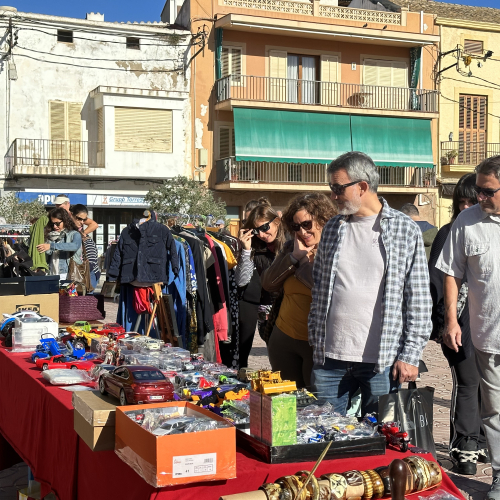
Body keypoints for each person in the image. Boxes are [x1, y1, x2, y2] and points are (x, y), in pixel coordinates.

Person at [309, 151, 432, 416]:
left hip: (382, 360)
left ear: (362, 186)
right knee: (322, 437)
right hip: (329, 358)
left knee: (382, 440)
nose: (333, 195)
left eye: (338, 188)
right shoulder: (333, 228)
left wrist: (410, 354)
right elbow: (320, 286)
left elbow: (419, 298)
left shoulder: (404, 229)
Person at [436, 156, 500, 499]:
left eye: (487, 191)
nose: (480, 197)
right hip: (488, 337)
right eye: (478, 189)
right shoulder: (467, 221)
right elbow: (451, 271)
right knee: (493, 412)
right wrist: (450, 320)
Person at [428, 173, 487, 474]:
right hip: (455, 323)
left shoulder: (487, 230)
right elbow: (437, 284)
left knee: (486, 386)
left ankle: (481, 443)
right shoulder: (448, 232)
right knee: (468, 382)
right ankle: (463, 448)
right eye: (459, 203)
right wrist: (443, 324)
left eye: (470, 201)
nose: (465, 208)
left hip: (486, 322)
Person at [261, 193, 336, 388]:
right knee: (287, 402)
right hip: (282, 339)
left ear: (323, 220)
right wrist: (294, 257)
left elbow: (327, 289)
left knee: (315, 404)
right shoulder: (290, 249)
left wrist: (304, 264)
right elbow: (268, 284)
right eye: (296, 227)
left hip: (316, 344)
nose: (302, 231)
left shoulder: (335, 251)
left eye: (307, 224)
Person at [234, 198, 284, 368]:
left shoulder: (292, 242)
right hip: (266, 311)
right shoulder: (255, 247)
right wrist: (246, 250)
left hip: (290, 308)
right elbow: (241, 281)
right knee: (276, 359)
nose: (262, 235)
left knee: (285, 358)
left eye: (264, 228)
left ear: (276, 220)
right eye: (257, 231)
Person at [36, 208, 82, 279]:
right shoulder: (50, 235)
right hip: (51, 273)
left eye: (57, 223)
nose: (55, 226)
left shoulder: (74, 234)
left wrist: (52, 246)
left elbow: (74, 246)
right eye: (52, 223)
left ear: (65, 221)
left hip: (66, 274)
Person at [70, 204, 101, 291]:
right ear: (71, 215)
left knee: (86, 302)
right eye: (79, 218)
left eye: (84, 220)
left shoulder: (83, 236)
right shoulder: (70, 232)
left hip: (87, 272)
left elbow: (91, 259)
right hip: (78, 272)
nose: (82, 222)